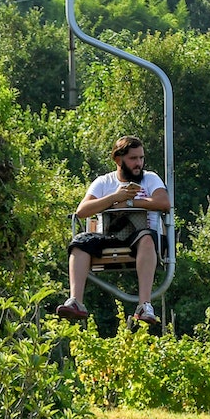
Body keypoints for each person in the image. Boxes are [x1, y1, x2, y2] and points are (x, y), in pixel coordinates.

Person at [56, 135, 170, 330]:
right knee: (79, 243)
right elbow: (82, 211)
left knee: (147, 238)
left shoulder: (150, 179)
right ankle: (76, 300)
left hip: (141, 238)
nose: (139, 164)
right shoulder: (104, 182)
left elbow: (163, 203)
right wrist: (114, 198)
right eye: (133, 159)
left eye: (141, 158)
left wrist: (132, 202)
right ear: (119, 160)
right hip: (111, 237)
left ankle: (144, 305)